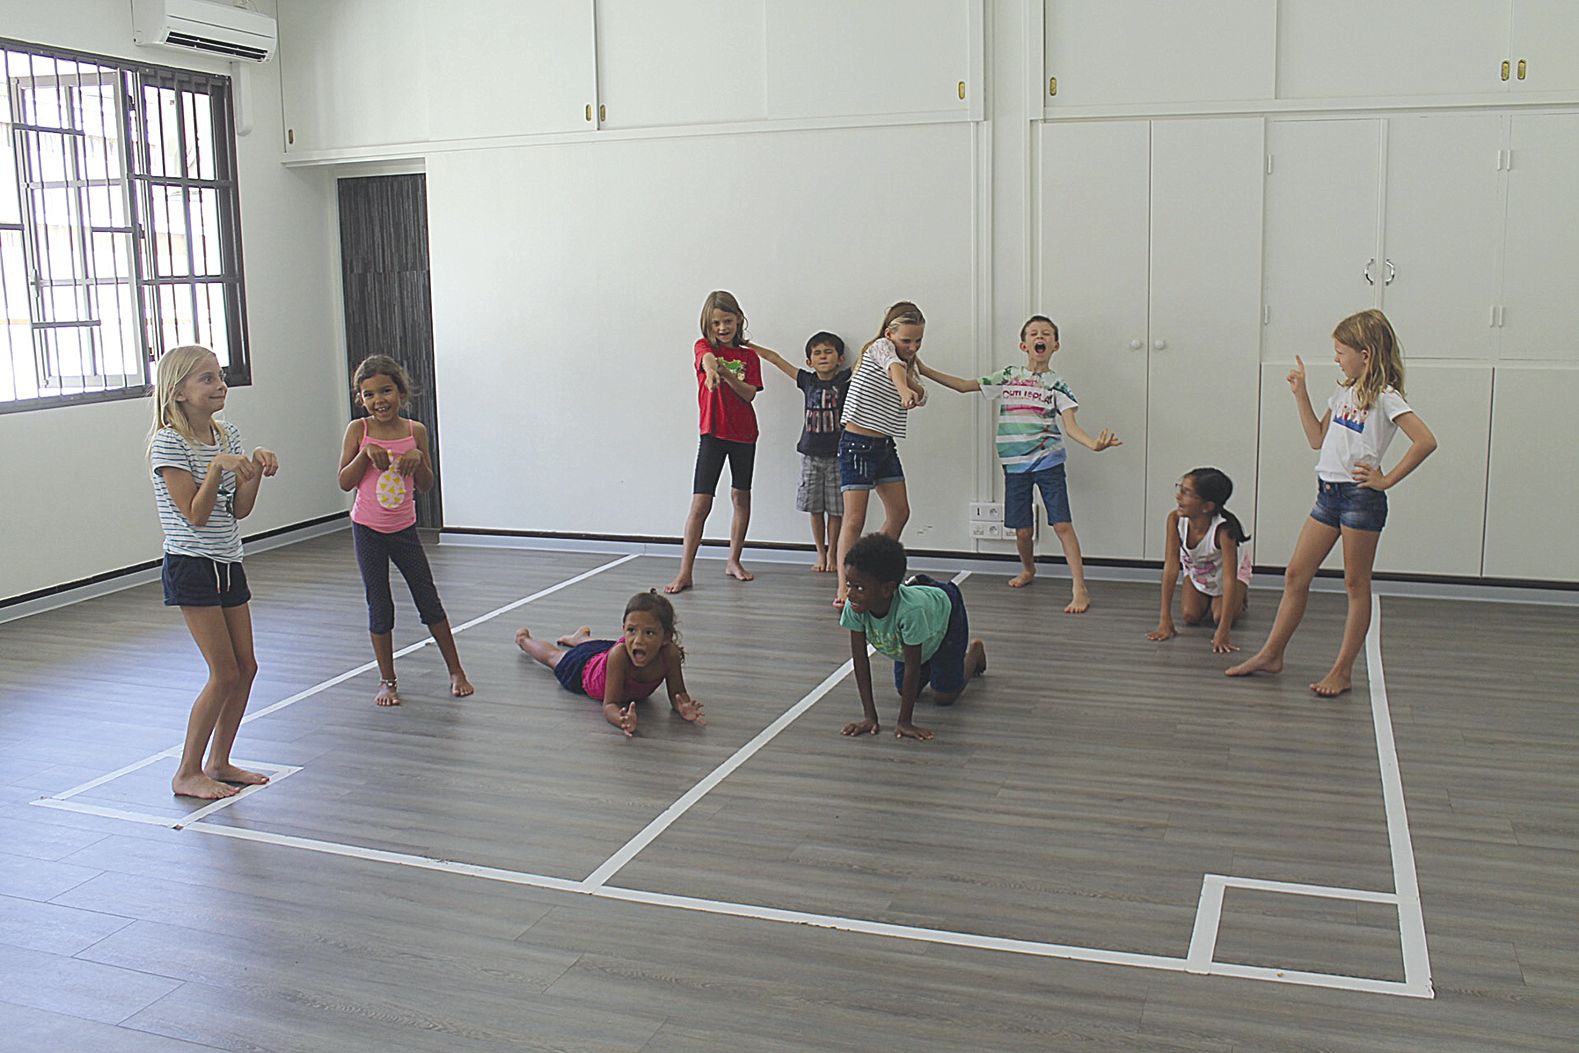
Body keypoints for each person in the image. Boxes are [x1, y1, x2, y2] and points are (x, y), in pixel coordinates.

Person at [1228, 309, 1437, 696]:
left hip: (1360, 500)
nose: (1337, 358)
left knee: (1355, 584)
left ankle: (1342, 671)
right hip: (1327, 494)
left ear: (1366, 354)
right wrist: (1300, 393)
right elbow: (1316, 438)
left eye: (1341, 351)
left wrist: (1385, 479)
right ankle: (1272, 654)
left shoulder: (1386, 398)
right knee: (1295, 575)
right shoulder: (1343, 392)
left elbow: (1425, 441)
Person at [916, 315, 1120, 611]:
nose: (1041, 337)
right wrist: (923, 369)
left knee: (1062, 524)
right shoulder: (1009, 376)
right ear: (1023, 345)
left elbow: (1071, 426)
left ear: (1055, 345)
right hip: (1014, 465)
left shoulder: (1057, 384)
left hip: (1048, 460)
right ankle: (1028, 569)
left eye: (1047, 334)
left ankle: (1080, 588)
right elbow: (963, 386)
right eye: (1035, 333)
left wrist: (1094, 444)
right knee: (1022, 531)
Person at [148, 345, 279, 799]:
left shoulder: (228, 435)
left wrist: (254, 471)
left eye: (220, 375)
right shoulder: (169, 442)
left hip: (228, 560)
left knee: (246, 667)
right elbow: (194, 514)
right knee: (222, 672)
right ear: (179, 391)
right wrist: (217, 469)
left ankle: (219, 761)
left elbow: (237, 510)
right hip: (191, 565)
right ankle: (187, 771)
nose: (219, 384)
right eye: (206, 378)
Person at [337, 355, 473, 706]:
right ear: (361, 399)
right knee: (379, 603)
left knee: (427, 598)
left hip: (404, 530)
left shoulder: (415, 432)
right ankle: (387, 680)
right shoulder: (358, 431)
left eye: (386, 391)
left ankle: (456, 670)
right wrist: (365, 455)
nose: (378, 400)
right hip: (367, 530)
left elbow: (426, 485)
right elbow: (344, 482)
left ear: (400, 391)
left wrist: (419, 461)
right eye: (369, 395)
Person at [839, 533, 986, 741]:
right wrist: (869, 717)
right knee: (906, 691)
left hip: (946, 612)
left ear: (887, 589)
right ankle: (936, 662)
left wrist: (904, 722)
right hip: (918, 631)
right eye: (848, 585)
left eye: (859, 588)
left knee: (943, 696)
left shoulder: (910, 612)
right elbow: (860, 660)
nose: (851, 594)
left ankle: (975, 653)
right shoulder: (855, 606)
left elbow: (912, 666)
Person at [666, 290, 764, 593]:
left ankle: (733, 560)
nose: (722, 328)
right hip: (712, 434)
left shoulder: (748, 356)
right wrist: (711, 370)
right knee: (700, 504)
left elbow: (749, 394)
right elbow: (706, 359)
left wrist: (727, 375)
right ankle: (685, 571)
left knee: (740, 497)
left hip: (744, 435)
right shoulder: (703, 347)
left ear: (738, 321)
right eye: (716, 323)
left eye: (728, 322)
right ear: (707, 326)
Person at [833, 302, 929, 607]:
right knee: (854, 520)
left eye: (918, 341)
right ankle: (845, 587)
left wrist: (915, 385)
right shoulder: (880, 348)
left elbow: (920, 393)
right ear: (890, 334)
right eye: (906, 341)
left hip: (884, 446)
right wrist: (904, 389)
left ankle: (873, 571)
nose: (912, 347)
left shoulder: (904, 362)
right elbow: (894, 369)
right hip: (856, 444)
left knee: (900, 512)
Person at [515, 591, 703, 737]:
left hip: (604, 655)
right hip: (582, 670)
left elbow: (678, 695)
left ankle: (580, 639)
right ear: (623, 630)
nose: (638, 640)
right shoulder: (620, 654)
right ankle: (524, 641)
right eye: (631, 630)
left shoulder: (669, 654)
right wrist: (620, 719)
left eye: (649, 633)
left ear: (666, 638)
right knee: (553, 657)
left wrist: (683, 707)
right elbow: (610, 705)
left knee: (600, 648)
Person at [752, 331, 852, 571]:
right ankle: (820, 553)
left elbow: (864, 360)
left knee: (837, 510)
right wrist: (746, 345)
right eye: (817, 353)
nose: (823, 357)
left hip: (838, 455)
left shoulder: (845, 381)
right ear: (809, 362)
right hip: (811, 455)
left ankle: (833, 554)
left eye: (828, 352)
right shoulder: (808, 381)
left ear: (840, 359)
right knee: (815, 508)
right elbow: (775, 359)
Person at [1147, 467, 1252, 653]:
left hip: (1228, 575)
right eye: (1180, 488)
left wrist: (1223, 630)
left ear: (1207, 506)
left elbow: (1228, 580)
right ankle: (1205, 594)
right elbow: (1171, 568)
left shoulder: (1223, 531)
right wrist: (1165, 619)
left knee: (1220, 617)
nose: (1178, 496)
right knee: (1190, 615)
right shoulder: (1174, 520)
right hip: (1198, 572)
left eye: (1187, 493)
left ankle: (1241, 596)